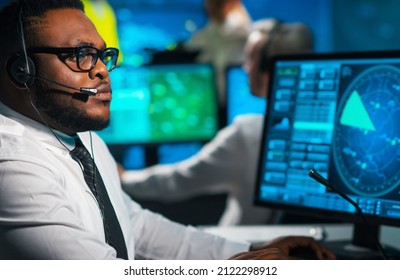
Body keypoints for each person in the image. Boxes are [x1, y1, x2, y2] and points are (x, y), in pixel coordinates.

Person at [0, 0, 333, 260]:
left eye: (103, 56)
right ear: (22, 70)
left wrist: (252, 249)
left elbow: (139, 228)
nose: (102, 71)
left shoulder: (84, 141)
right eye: (81, 55)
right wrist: (244, 268)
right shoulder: (12, 167)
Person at [119, 19, 314, 225]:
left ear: (269, 69)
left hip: (245, 248)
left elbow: (179, 181)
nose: (246, 68)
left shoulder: (249, 134)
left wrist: (124, 178)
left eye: (251, 59)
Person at [184, 0, 252, 105]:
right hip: (212, 100)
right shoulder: (200, 38)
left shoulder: (246, 35)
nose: (212, 6)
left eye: (219, 3)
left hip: (238, 100)